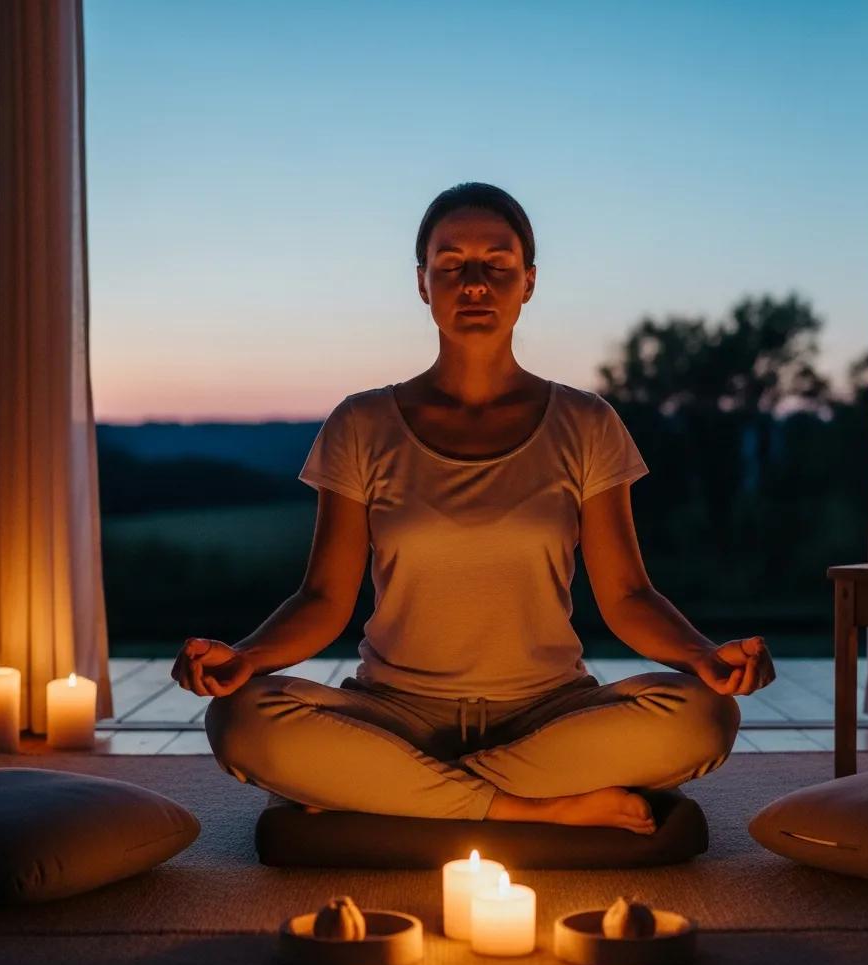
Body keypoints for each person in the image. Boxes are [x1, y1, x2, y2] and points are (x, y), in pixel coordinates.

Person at [172, 182, 777, 835]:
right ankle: (528, 807)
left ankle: (390, 789)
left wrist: (703, 656)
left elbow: (628, 595)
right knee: (238, 719)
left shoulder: (587, 423)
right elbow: (322, 599)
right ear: (422, 282)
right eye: (452, 263)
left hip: (548, 715)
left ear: (530, 280)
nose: (476, 282)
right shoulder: (361, 423)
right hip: (395, 713)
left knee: (706, 714)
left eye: (498, 263)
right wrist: (247, 658)